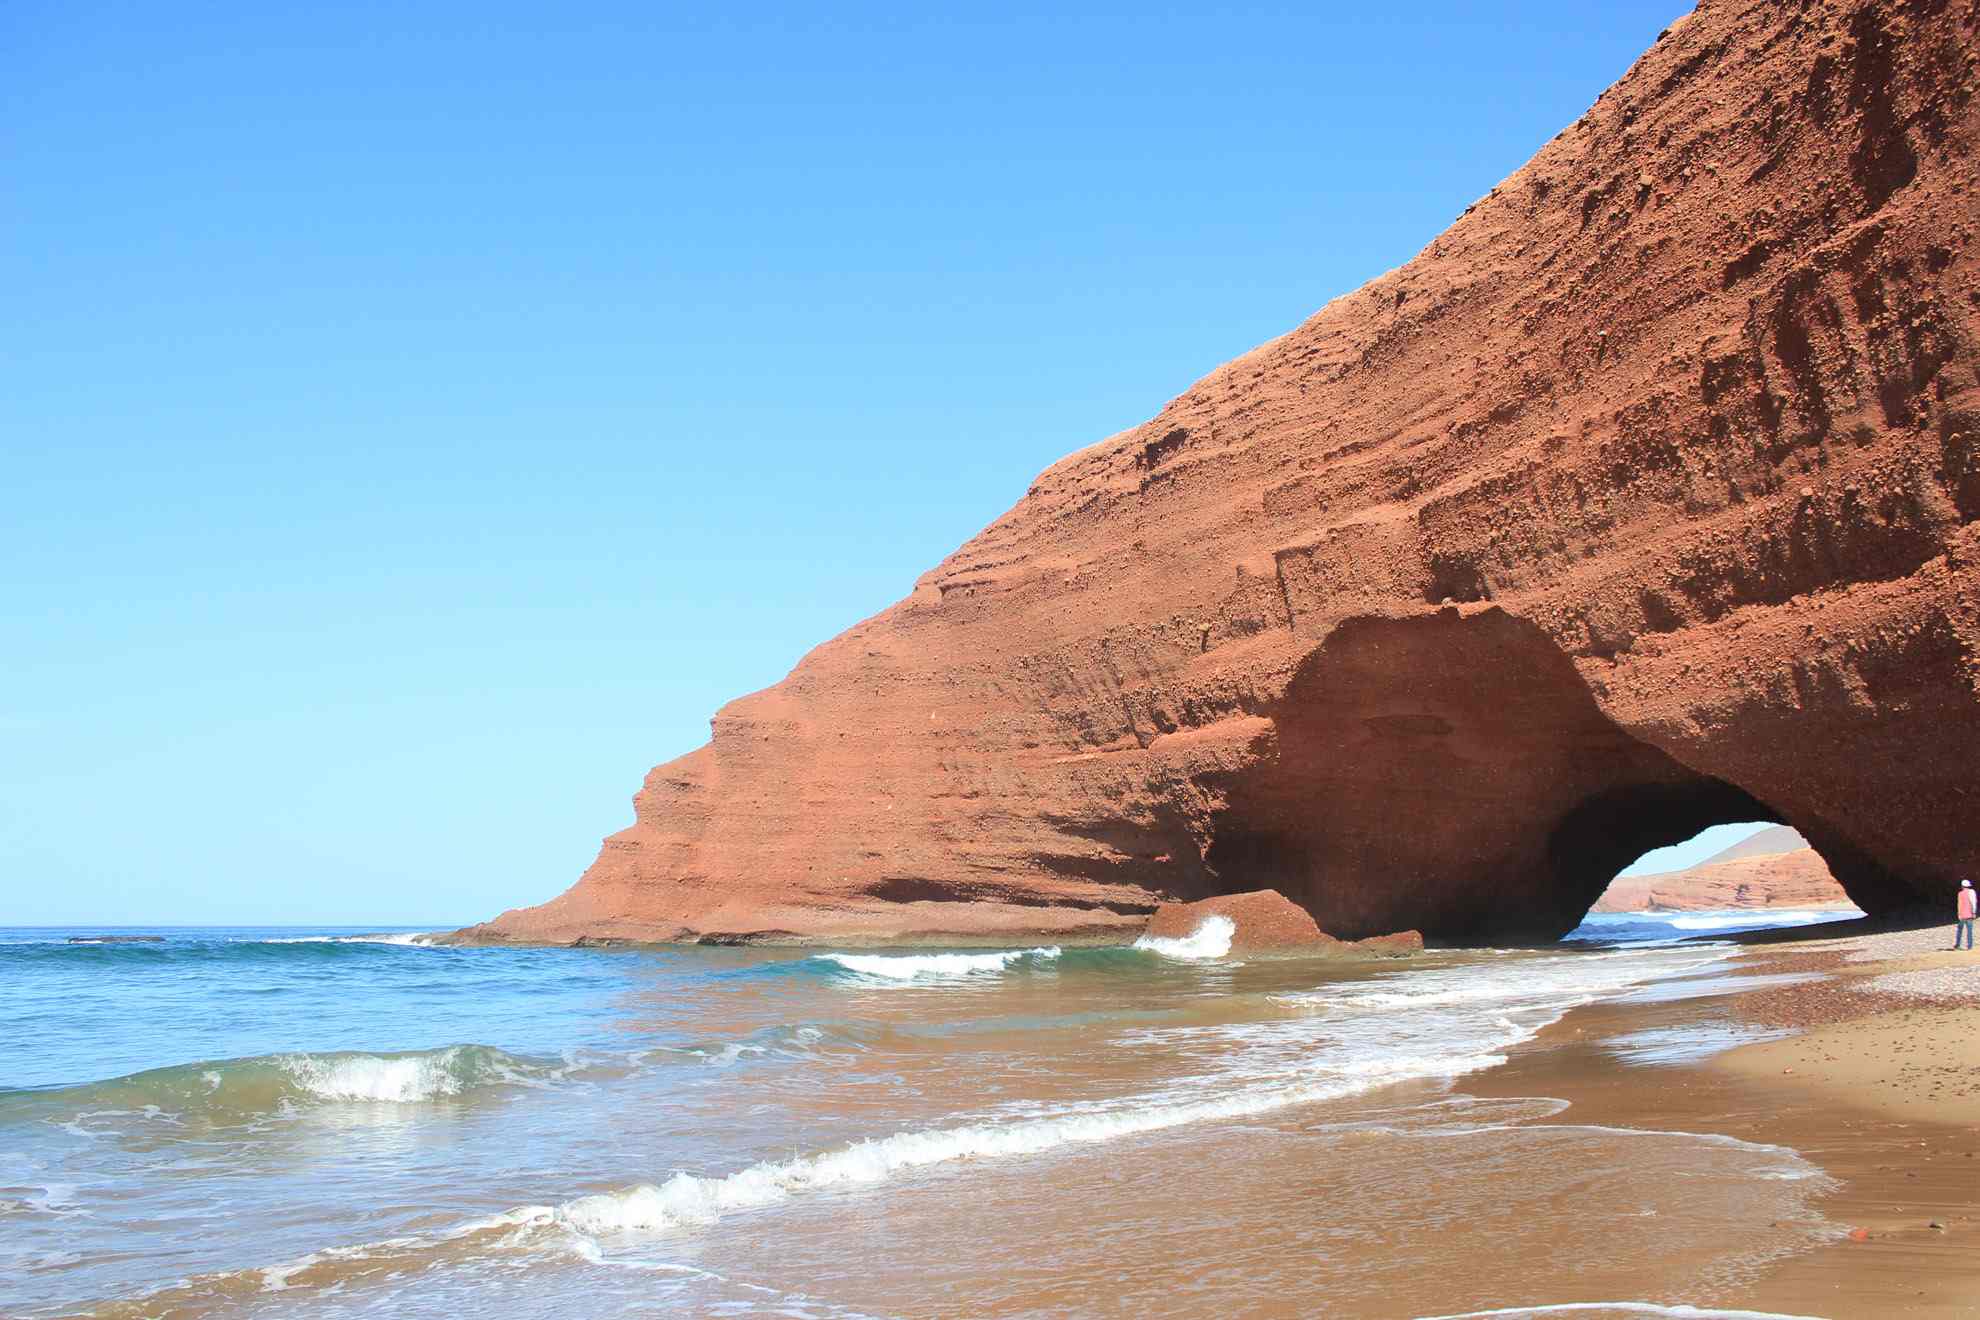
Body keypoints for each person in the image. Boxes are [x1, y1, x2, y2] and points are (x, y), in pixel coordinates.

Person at [1957, 880, 1977, 951]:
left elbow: (1959, 904)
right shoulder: (1972, 892)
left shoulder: (1960, 893)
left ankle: (1958, 944)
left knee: (1959, 930)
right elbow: (1973, 903)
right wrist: (1974, 912)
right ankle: (1969, 946)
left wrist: (1959, 914)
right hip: (1969, 915)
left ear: (1962, 886)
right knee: (1969, 931)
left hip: (1962, 915)